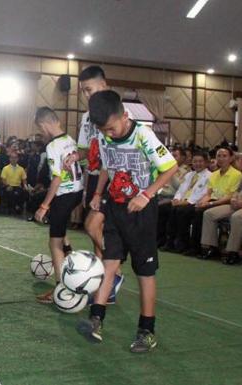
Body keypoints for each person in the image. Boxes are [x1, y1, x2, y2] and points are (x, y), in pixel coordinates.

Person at [78, 90, 178, 353]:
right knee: (109, 262)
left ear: (124, 115)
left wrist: (147, 194)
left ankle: (147, 331)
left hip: (141, 212)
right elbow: (107, 167)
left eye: (111, 128)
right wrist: (99, 193)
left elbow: (170, 167)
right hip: (115, 207)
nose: (108, 134)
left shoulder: (143, 136)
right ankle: (96, 320)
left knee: (144, 272)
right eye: (104, 130)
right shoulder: (103, 135)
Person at [71, 65, 124, 301]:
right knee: (94, 230)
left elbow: (115, 153)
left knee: (95, 226)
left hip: (114, 179)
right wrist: (75, 156)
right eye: (83, 91)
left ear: (104, 85)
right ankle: (104, 281)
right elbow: (85, 149)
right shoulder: (86, 117)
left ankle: (115, 272)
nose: (86, 94)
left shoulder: (116, 112)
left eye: (89, 89)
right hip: (94, 176)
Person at [33, 107, 84, 303]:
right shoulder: (69, 139)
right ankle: (69, 253)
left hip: (64, 194)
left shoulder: (52, 146)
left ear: (44, 125)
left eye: (40, 128)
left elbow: (57, 178)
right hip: (77, 191)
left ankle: (61, 289)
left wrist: (44, 205)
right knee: (61, 230)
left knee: (54, 242)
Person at [187, 147, 241, 256]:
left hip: (226, 203)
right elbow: (208, 193)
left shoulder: (237, 174)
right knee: (196, 209)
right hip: (216, 201)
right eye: (218, 156)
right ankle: (206, 247)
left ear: (231, 158)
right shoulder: (215, 174)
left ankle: (229, 251)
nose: (221, 159)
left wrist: (210, 203)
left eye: (224, 156)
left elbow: (230, 196)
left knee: (207, 213)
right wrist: (202, 202)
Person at [160, 151, 211, 253]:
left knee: (182, 211)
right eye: (195, 161)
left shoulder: (210, 176)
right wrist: (176, 199)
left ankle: (182, 244)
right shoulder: (189, 175)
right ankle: (166, 241)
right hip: (182, 201)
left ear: (206, 163)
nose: (197, 164)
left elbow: (203, 194)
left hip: (194, 203)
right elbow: (181, 190)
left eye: (200, 161)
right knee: (164, 208)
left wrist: (186, 202)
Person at [199, 177, 242, 264]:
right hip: (236, 203)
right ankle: (209, 247)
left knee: (237, 217)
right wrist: (233, 199)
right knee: (209, 214)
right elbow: (237, 191)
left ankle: (232, 252)